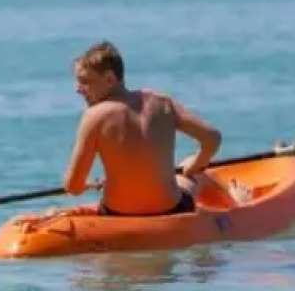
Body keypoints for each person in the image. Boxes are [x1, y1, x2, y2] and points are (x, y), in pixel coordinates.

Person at [61, 41, 226, 216]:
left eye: (85, 82)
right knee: (193, 171)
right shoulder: (162, 103)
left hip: (118, 214)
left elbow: (73, 187)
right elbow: (212, 138)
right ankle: (235, 202)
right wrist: (193, 167)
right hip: (171, 210)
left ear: (110, 79)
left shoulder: (94, 116)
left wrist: (92, 185)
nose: (78, 90)